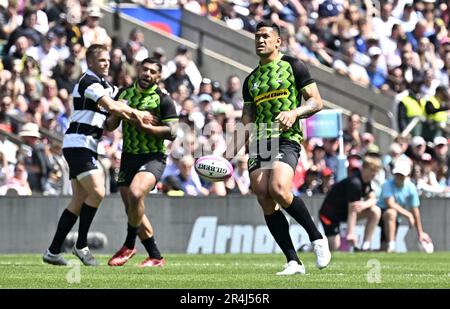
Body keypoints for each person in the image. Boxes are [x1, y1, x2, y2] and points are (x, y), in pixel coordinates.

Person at [224, 22, 330, 275]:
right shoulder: (251, 80)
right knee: (263, 194)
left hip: (286, 136)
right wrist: (228, 153)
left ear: (278, 41)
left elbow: (316, 101)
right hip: (260, 140)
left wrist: (294, 112)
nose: (260, 40)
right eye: (257, 37)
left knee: (279, 189)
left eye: (265, 36)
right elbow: (247, 121)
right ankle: (293, 261)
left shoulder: (293, 66)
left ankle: (317, 237)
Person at [43, 44, 150, 266]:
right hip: (78, 144)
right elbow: (110, 105)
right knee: (99, 191)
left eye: (108, 60)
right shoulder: (87, 81)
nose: (106, 63)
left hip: (88, 145)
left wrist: (125, 113)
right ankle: (81, 245)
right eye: (102, 60)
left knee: (78, 200)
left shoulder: (106, 86)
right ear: (90, 62)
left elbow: (109, 124)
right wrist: (136, 113)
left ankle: (53, 251)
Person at [106, 58, 178, 267]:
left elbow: (172, 132)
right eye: (144, 69)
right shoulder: (123, 94)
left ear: (158, 77)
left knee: (136, 194)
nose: (147, 74)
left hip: (152, 156)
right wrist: (117, 113)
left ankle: (129, 245)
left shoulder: (163, 99)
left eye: (152, 71)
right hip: (127, 157)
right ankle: (155, 256)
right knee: (132, 207)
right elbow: (110, 126)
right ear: (138, 70)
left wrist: (146, 128)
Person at [319, 157, 382, 251]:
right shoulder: (355, 183)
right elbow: (352, 210)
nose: (374, 173)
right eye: (372, 170)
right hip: (329, 215)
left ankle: (366, 246)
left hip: (343, 213)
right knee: (334, 247)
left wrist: (364, 204)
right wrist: (350, 233)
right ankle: (309, 249)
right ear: (364, 168)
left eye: (376, 171)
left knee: (375, 211)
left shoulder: (366, 181)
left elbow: (373, 198)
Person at [377, 159, 432, 253]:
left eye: (401, 175)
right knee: (391, 212)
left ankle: (389, 245)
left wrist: (420, 233)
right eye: (397, 174)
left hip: (395, 219)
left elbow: (415, 210)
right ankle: (391, 245)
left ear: (407, 175)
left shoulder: (411, 187)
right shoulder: (387, 184)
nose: (399, 177)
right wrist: (408, 215)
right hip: (380, 216)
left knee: (383, 248)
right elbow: (390, 204)